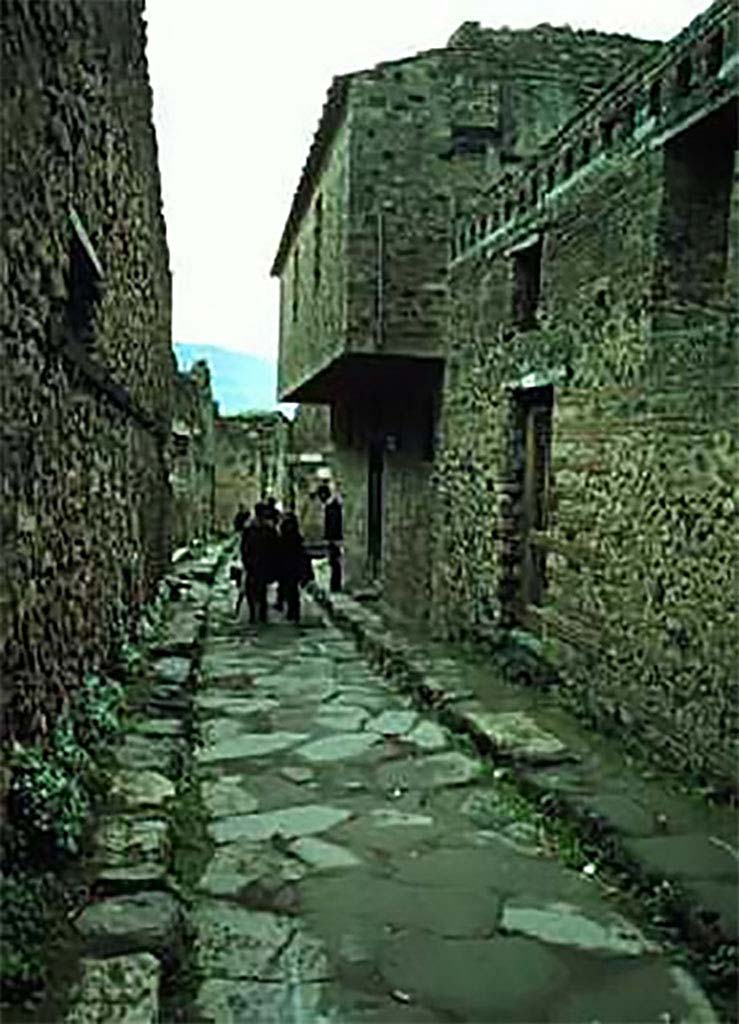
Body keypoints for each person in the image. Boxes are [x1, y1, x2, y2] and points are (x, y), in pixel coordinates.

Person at [240, 502, 278, 624]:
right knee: (257, 589)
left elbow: (244, 546)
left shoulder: (252, 529)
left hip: (257, 563)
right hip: (258, 563)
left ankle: (258, 613)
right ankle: (259, 613)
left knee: (255, 589)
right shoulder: (267, 529)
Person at [277, 513, 314, 623]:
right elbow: (303, 555)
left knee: (290, 589)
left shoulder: (283, 539)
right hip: (294, 567)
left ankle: (291, 611)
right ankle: (294, 612)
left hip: (286, 567)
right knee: (293, 590)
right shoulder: (297, 538)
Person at [324, 483, 344, 593]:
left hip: (335, 538)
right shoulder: (333, 506)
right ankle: (335, 585)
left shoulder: (332, 506)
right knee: (334, 562)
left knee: (335, 562)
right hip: (334, 538)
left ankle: (335, 585)